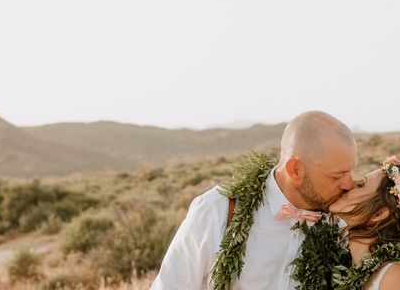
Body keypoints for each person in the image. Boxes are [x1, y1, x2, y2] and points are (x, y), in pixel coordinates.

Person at [150, 110, 357, 290]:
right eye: (337, 175)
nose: (349, 184)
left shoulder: (340, 225)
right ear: (295, 170)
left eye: (351, 171)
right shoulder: (217, 210)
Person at [328, 155, 400, 290]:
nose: (349, 185)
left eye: (361, 184)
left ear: (379, 214)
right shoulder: (343, 266)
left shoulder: (398, 276)